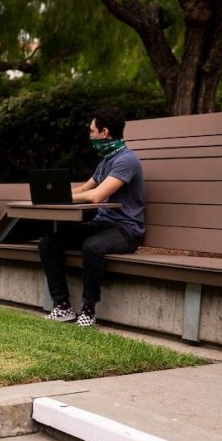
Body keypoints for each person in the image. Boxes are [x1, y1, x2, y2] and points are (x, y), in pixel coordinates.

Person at [39, 106, 145, 327]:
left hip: (127, 230)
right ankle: (63, 307)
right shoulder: (106, 161)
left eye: (92, 131)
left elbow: (96, 196)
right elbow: (84, 188)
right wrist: (51, 194)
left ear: (104, 132)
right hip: (103, 223)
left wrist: (64, 198)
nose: (90, 136)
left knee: (92, 246)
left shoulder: (127, 160)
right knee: (49, 242)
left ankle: (88, 310)